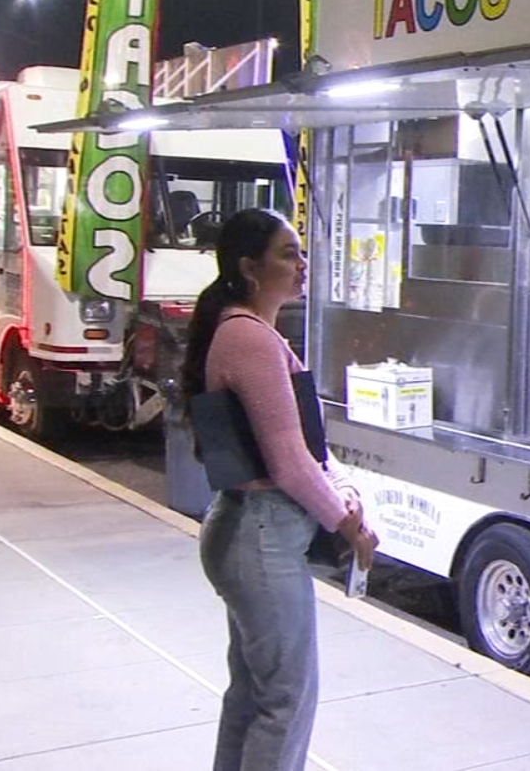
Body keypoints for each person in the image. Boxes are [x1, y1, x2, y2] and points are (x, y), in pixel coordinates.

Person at [183, 208, 379, 771]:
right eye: (287, 253)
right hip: (261, 538)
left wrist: (342, 490)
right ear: (249, 267)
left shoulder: (252, 332)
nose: (301, 264)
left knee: (254, 695)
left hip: (252, 535)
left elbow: (310, 448)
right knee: (284, 701)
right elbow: (289, 463)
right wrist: (350, 527)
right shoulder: (248, 338)